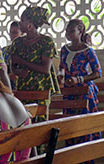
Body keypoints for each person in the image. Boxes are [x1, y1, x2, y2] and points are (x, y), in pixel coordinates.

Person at [58, 19, 102, 151]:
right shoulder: (64, 50)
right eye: (67, 31)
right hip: (69, 93)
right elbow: (61, 67)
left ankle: (86, 156)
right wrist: (60, 76)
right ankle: (72, 155)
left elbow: (98, 73)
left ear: (80, 32)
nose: (68, 34)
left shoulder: (88, 51)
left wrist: (79, 79)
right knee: (70, 124)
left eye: (72, 31)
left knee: (84, 124)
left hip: (84, 92)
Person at [10, 6, 60, 104]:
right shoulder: (17, 43)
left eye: (22, 20)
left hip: (41, 89)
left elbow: (45, 69)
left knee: (41, 118)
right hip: (23, 89)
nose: (20, 23)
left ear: (30, 24)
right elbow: (13, 66)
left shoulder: (46, 41)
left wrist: (21, 61)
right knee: (25, 118)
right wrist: (18, 72)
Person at [2, 21, 23, 90]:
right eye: (10, 32)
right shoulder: (4, 51)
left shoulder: (26, 51)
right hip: (7, 85)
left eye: (15, 32)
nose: (12, 35)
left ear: (22, 34)